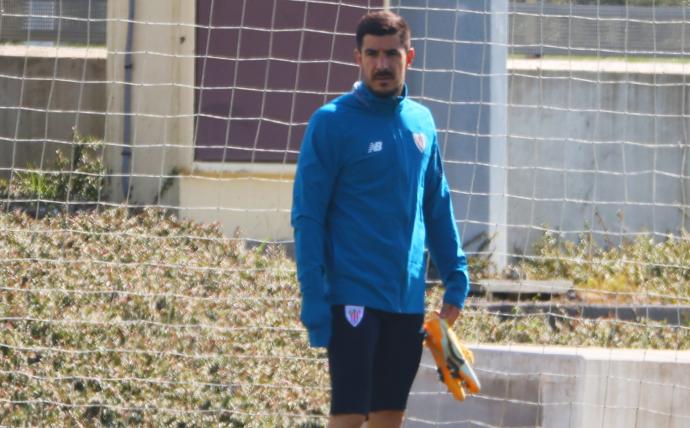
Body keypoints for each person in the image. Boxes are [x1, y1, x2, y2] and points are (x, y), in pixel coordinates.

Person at [291, 10, 470, 428]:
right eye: (372, 54)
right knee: (350, 416)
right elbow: (308, 217)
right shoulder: (331, 124)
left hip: (406, 299)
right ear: (358, 57)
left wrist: (456, 276)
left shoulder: (421, 122)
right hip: (352, 296)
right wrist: (313, 294)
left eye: (392, 54)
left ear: (410, 56)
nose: (382, 64)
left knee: (389, 417)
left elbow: (437, 204)